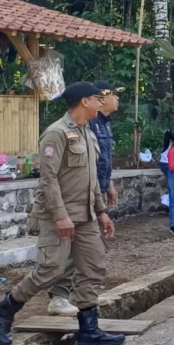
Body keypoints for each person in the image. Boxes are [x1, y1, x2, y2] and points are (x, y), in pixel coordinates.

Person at [0, 82, 124, 345]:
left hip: (86, 216)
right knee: (51, 270)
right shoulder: (55, 134)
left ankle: (88, 331)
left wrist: (102, 211)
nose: (100, 103)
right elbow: (48, 180)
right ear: (84, 101)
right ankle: (2, 311)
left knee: (93, 267)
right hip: (57, 216)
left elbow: (92, 179)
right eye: (97, 98)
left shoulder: (88, 134)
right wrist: (60, 216)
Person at [48, 82, 119, 316]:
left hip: (92, 195)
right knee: (67, 254)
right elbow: (50, 177)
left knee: (91, 258)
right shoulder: (77, 126)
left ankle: (86, 317)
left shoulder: (99, 126)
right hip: (74, 197)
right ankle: (59, 297)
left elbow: (98, 163)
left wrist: (106, 187)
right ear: (87, 101)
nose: (112, 99)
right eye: (105, 96)